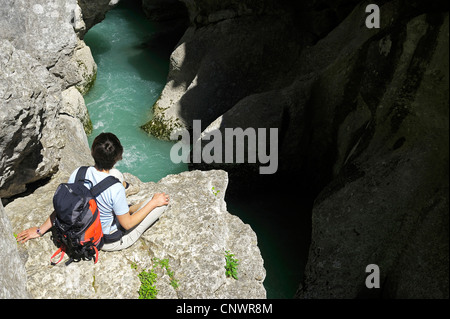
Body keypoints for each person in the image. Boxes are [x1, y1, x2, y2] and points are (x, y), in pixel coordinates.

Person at [16, 132, 169, 252]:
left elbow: (66, 206)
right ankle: (132, 206)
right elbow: (127, 225)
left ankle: (129, 207)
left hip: (80, 228)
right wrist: (154, 203)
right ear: (117, 158)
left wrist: (39, 230)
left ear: (92, 151)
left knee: (116, 177)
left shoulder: (78, 173)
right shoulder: (115, 188)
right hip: (106, 241)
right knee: (161, 205)